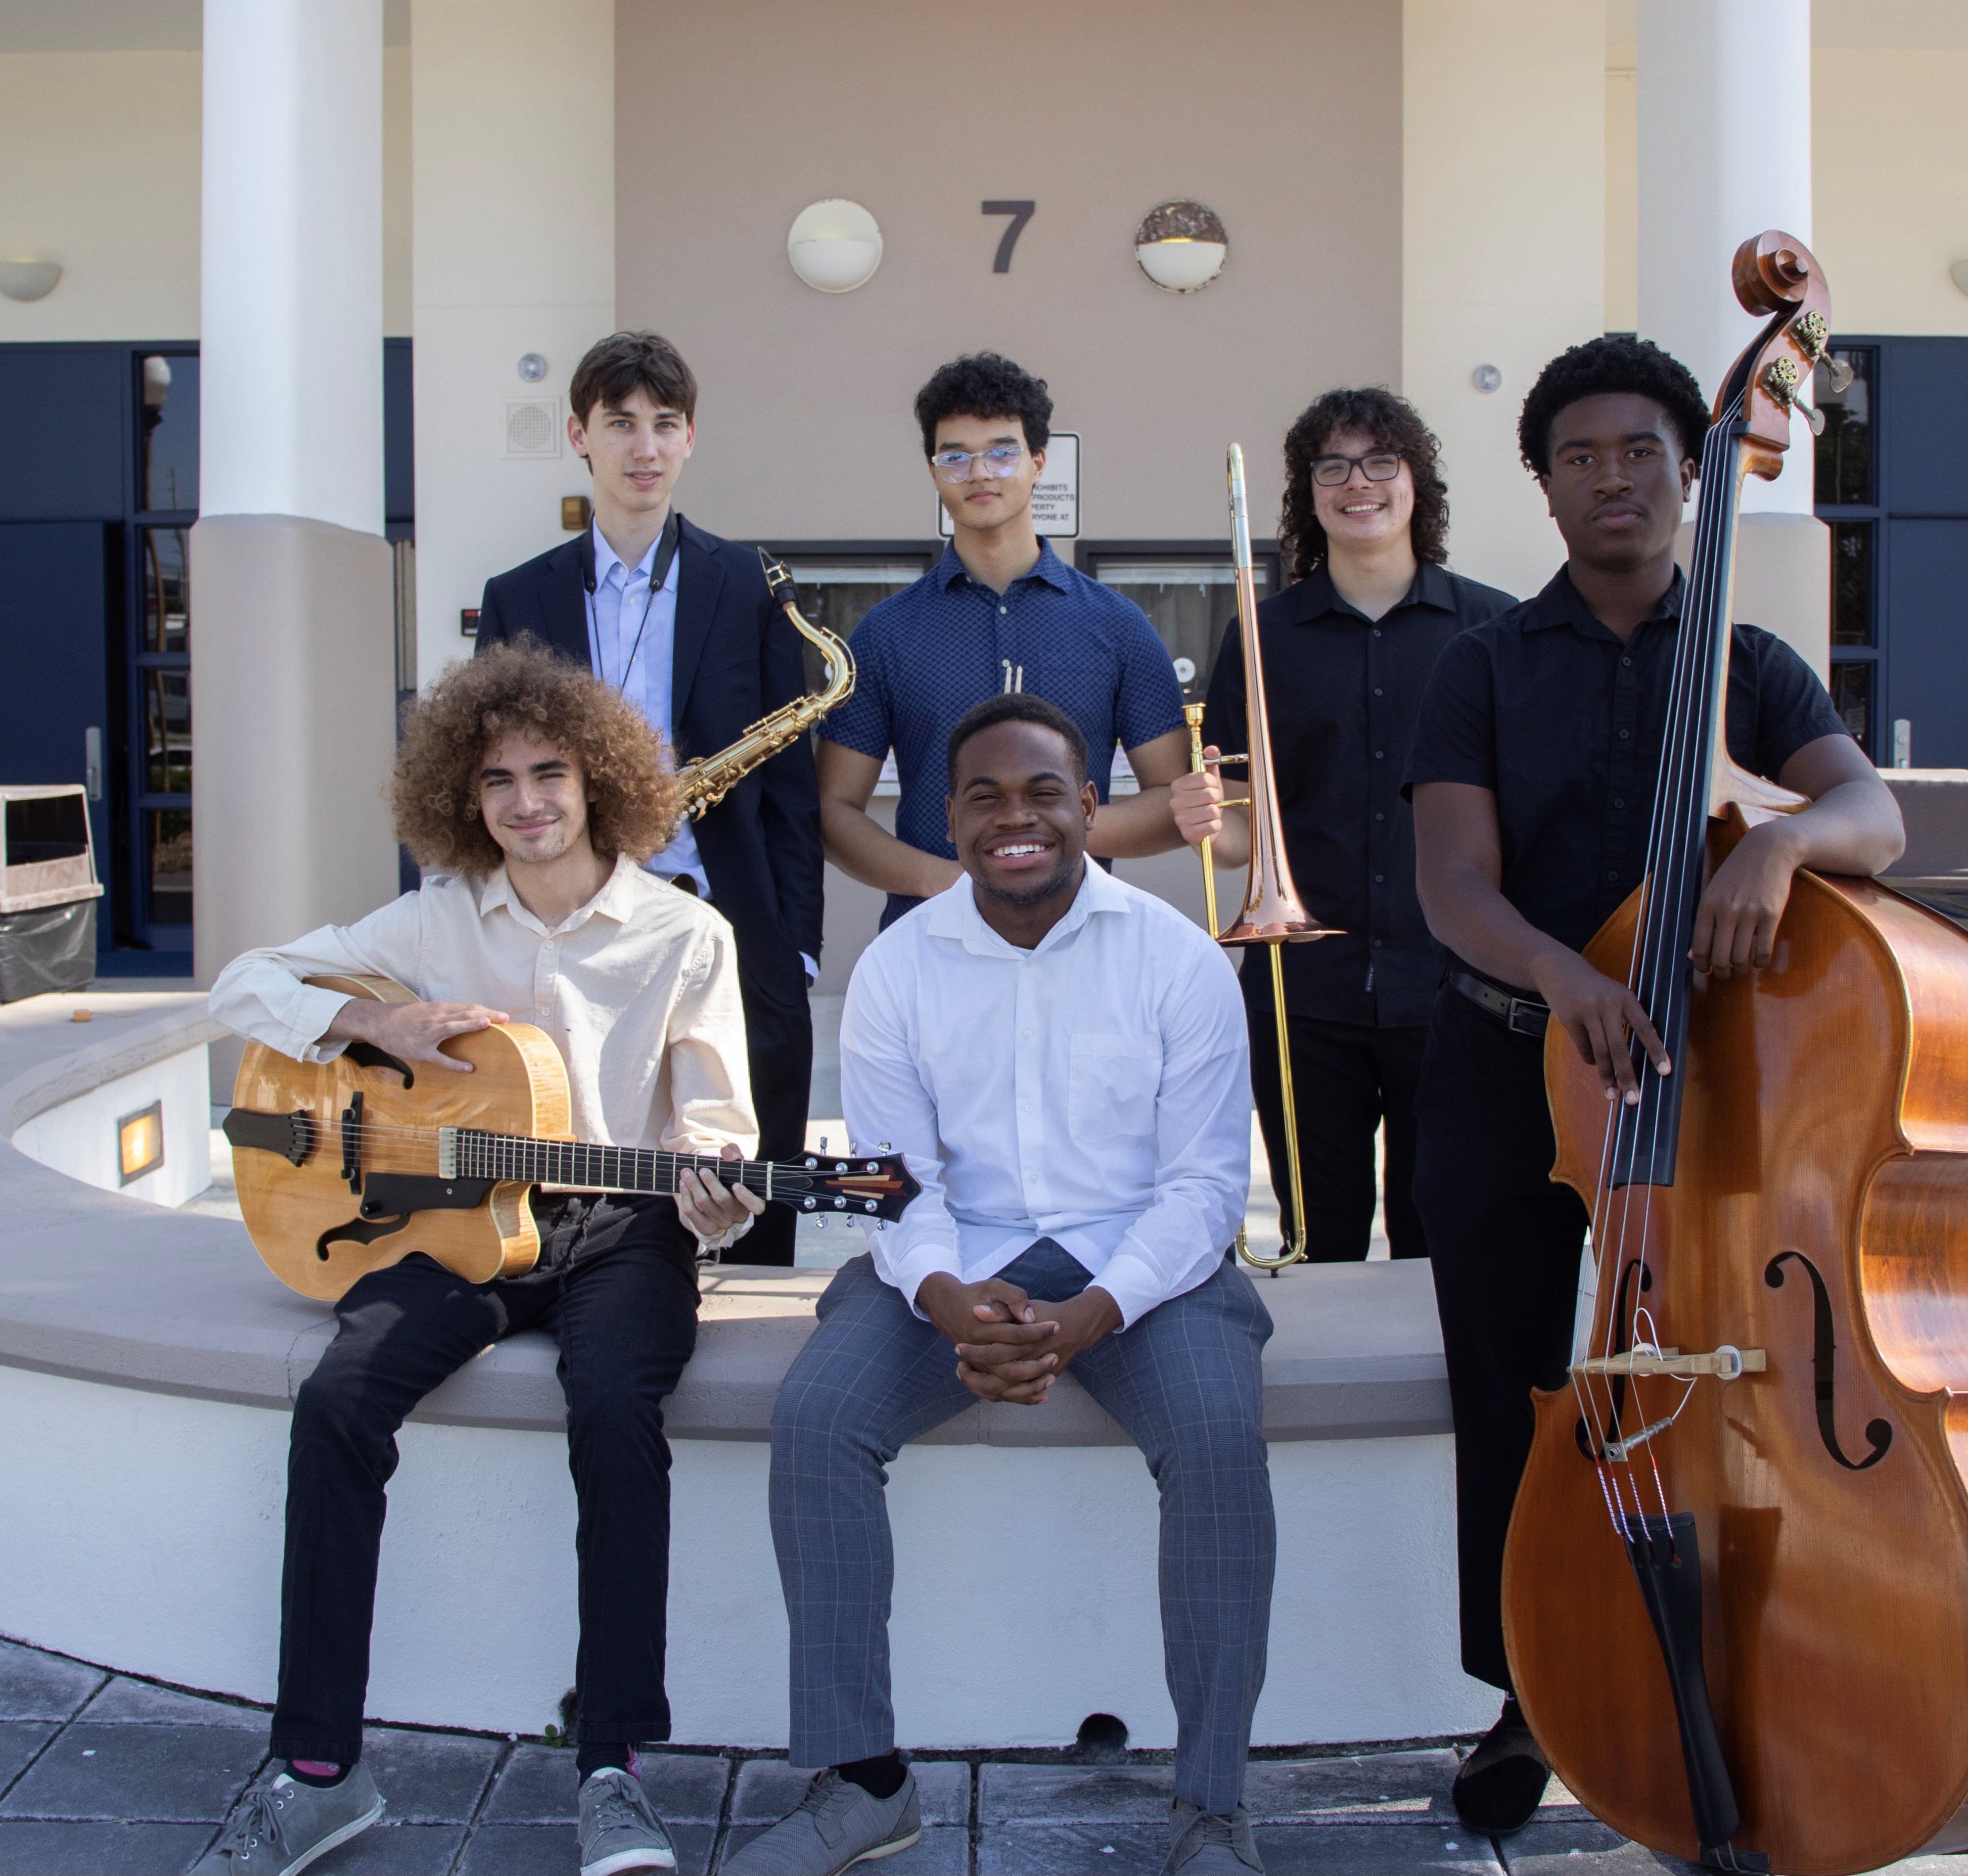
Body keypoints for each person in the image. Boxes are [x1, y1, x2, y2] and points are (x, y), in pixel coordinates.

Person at [1402, 334, 1907, 1833]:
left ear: (1689, 473)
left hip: (1703, 1091)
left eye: (1638, 450)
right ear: (1541, 487)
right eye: (1578, 456)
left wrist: (1773, 839)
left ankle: (1731, 1655)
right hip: (1507, 1067)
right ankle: (1523, 1693)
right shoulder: (1477, 661)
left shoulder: (1745, 663)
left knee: (1719, 1383)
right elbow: (1449, 883)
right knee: (1516, 1393)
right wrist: (1565, 978)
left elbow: (1865, 807)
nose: (1610, 476)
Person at [201, 640, 771, 1876]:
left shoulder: (686, 936)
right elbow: (244, 984)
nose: (525, 803)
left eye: (550, 774)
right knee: (341, 1399)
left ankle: (613, 1767)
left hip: (618, 1226)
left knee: (615, 1409)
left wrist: (718, 1192)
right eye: (498, 779)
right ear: (464, 795)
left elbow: (718, 1132)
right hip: (448, 1227)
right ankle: (316, 1773)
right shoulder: (430, 921)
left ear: (599, 781)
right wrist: (373, 1017)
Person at [724, 694, 1273, 1876]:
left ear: (1088, 808)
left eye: (1041, 793)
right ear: (945, 817)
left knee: (1220, 1435)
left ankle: (1211, 1809)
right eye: (982, 797)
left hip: (1140, 1271)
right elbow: (891, 1183)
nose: (1012, 819)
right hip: (951, 1261)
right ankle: (863, 1782)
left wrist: (1085, 1316)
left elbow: (1200, 1191)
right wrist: (941, 1300)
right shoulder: (900, 967)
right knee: (819, 1418)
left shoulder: (1174, 959)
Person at [475, 331, 824, 1265]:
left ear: (690, 438)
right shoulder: (517, 596)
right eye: (619, 423)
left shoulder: (747, 582)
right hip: (576, 910)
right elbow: (490, 773)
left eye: (663, 425)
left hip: (723, 904)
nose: (643, 447)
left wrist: (796, 944)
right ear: (578, 434)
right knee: (592, 1150)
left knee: (750, 1160)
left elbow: (790, 786)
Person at [1177, 386, 1515, 1264]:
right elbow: (1245, 835)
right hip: (1303, 992)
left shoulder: (1493, 629)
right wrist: (1207, 822)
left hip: (1455, 988)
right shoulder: (1265, 633)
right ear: (1307, 491)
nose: (1356, 482)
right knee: (1314, 1238)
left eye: (1379, 461)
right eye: (1332, 466)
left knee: (1439, 1236)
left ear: (1416, 483)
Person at [815, 351, 1206, 926]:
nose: (979, 472)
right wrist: (948, 882)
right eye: (955, 456)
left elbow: (1176, 800)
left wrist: (1049, 833)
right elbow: (833, 809)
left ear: (1038, 462)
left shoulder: (1117, 625)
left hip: (1083, 938)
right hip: (929, 937)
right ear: (933, 471)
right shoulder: (885, 633)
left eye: (1002, 451)